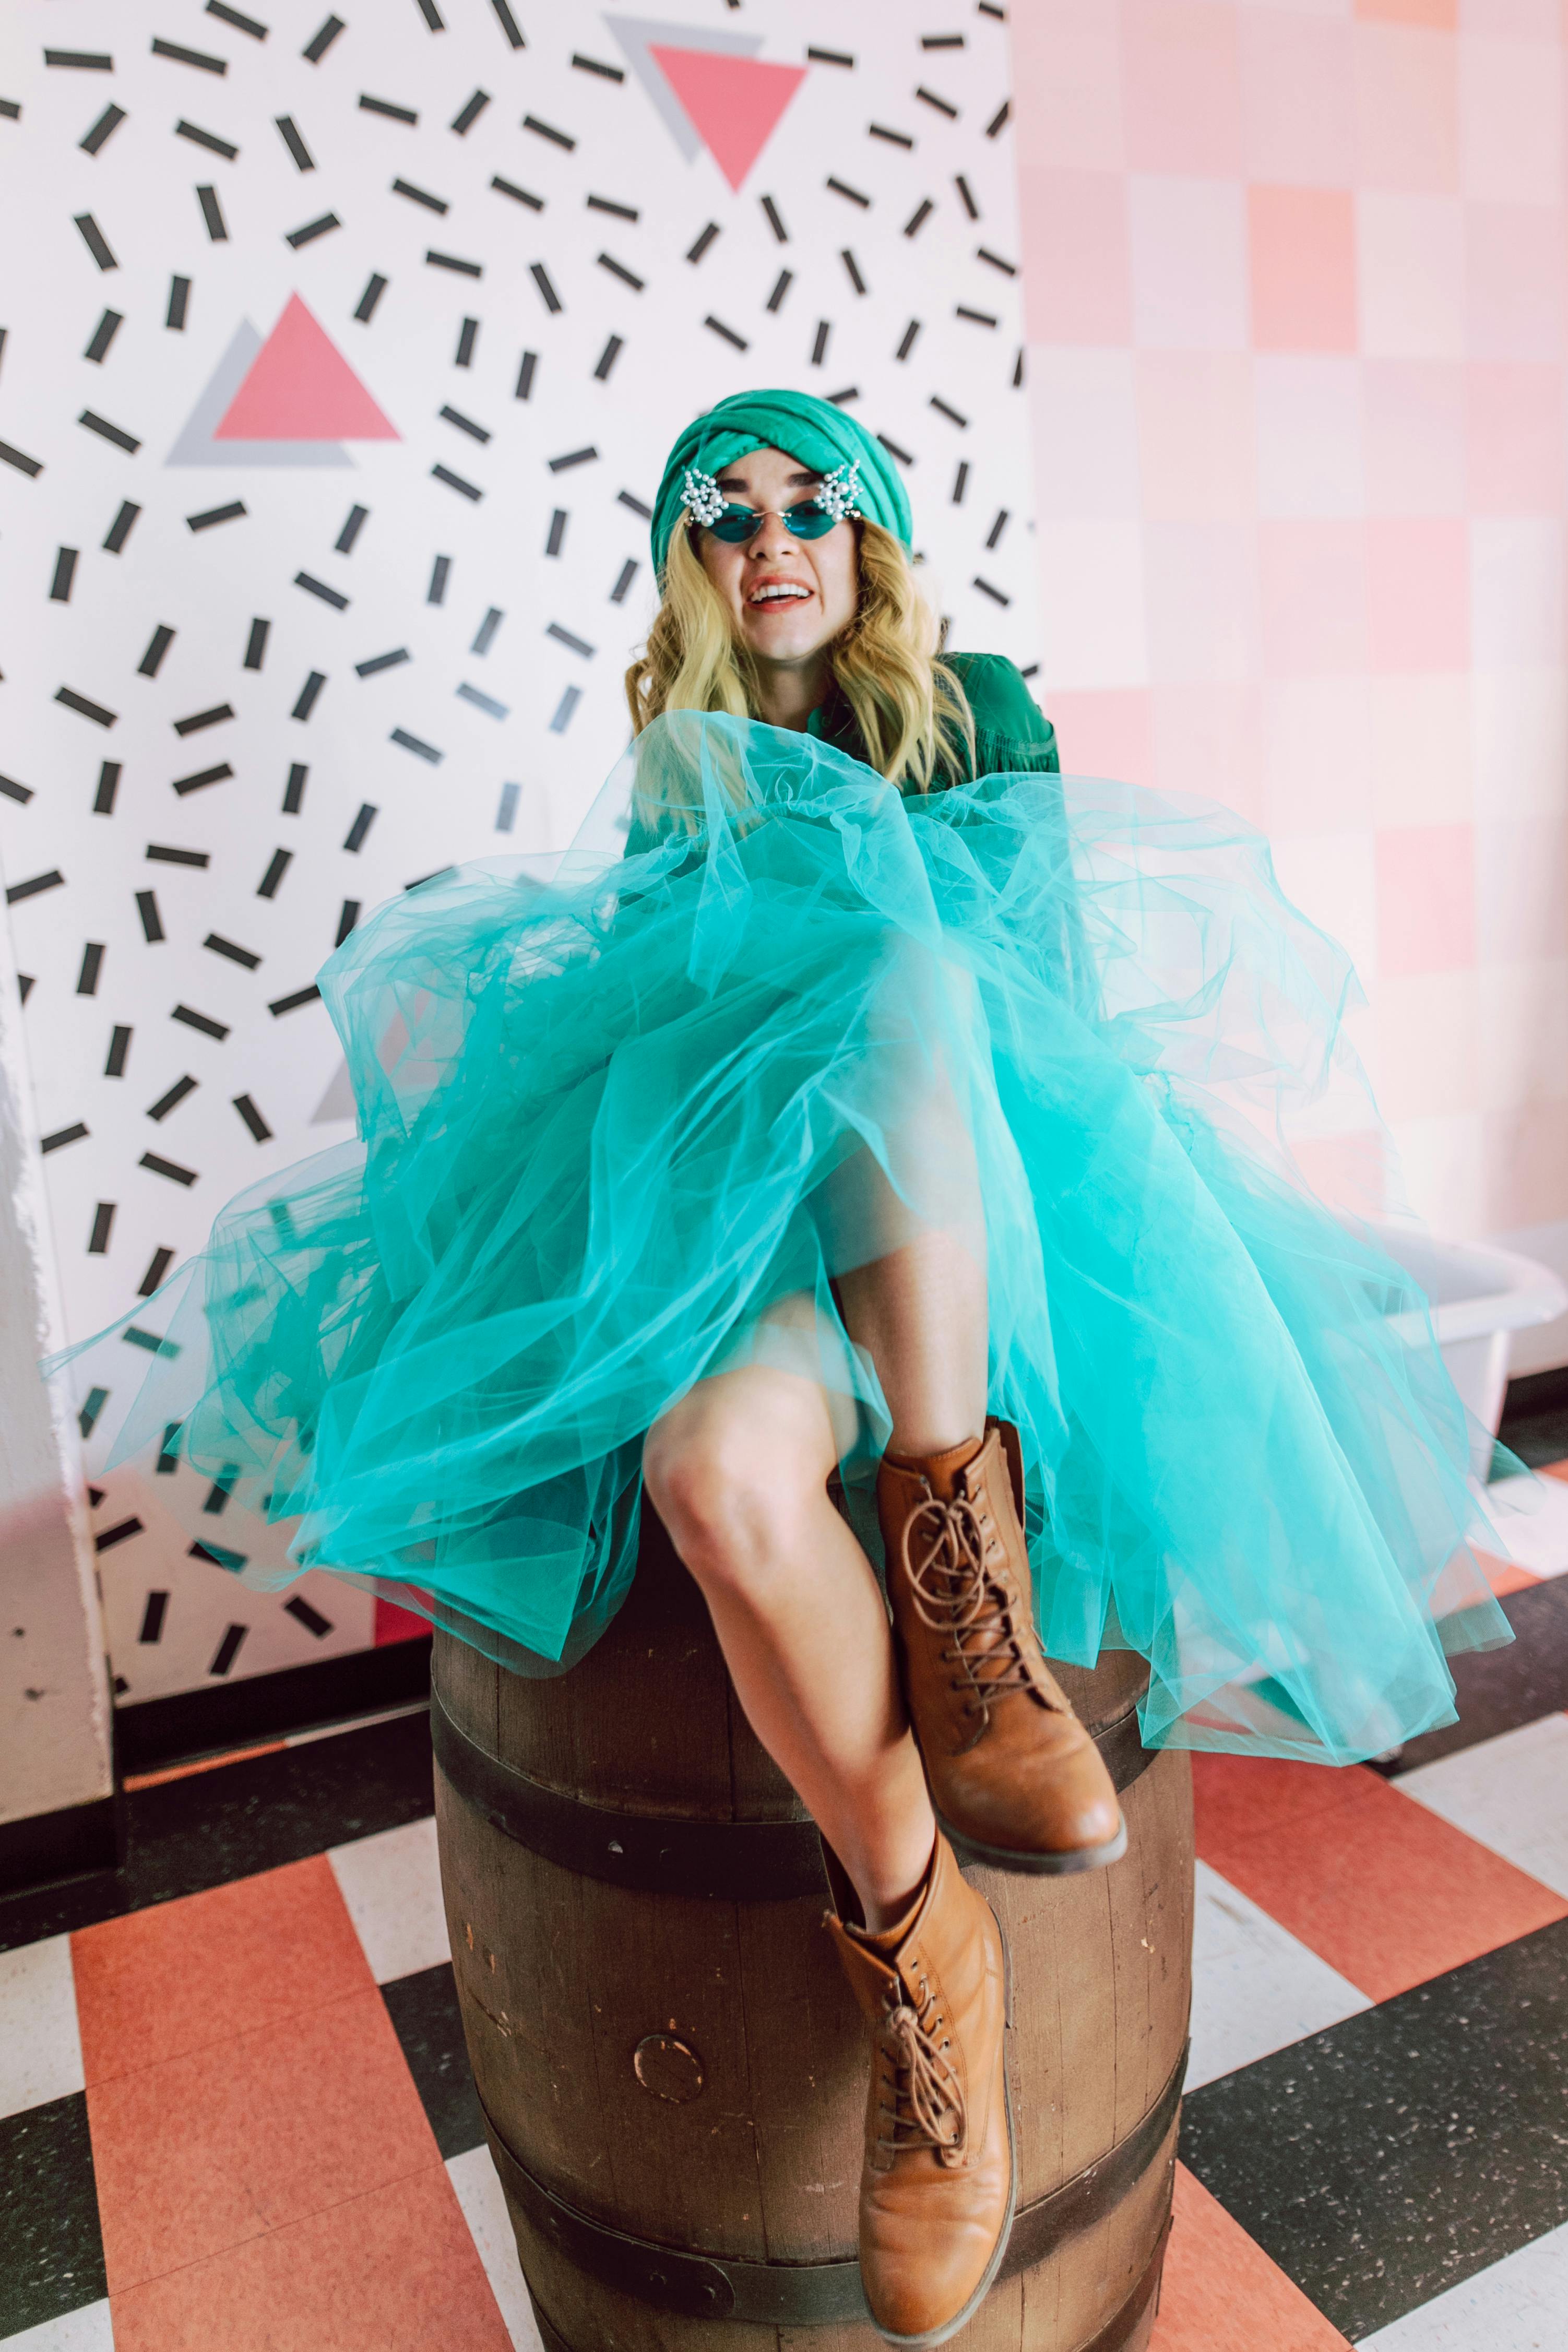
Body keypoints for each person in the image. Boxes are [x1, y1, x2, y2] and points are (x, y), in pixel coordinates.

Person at [53, 389, 1510, 2348]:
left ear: (868, 532)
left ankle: (963, 1591)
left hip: (971, 1238)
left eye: (803, 502)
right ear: (692, 563)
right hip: (766, 1239)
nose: (767, 538)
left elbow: (1046, 1008)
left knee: (902, 975)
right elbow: (671, 1040)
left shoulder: (976, 704)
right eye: (719, 514)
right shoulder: (687, 756)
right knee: (710, 1477)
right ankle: (931, 1958)